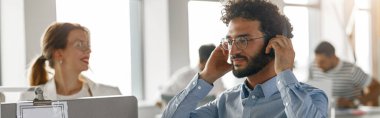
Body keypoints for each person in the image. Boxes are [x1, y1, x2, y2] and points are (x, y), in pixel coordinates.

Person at [162, 0, 328, 118]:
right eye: (229, 41)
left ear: (274, 44)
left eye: (243, 40)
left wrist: (285, 72)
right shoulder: (226, 101)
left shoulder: (312, 98)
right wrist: (206, 77)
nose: (232, 50)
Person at [20, 22, 121, 101]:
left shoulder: (111, 95)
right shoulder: (29, 99)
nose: (88, 50)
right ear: (59, 54)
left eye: (87, 45)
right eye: (79, 45)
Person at [309, 41, 380, 108]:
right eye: (316, 61)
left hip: (348, 113)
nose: (318, 66)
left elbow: (377, 87)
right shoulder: (313, 67)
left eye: (322, 62)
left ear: (333, 57)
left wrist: (355, 102)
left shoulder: (352, 70)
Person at [159, 44, 226, 106]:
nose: (216, 65)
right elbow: (163, 95)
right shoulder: (184, 76)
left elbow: (223, 93)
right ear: (202, 61)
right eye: (214, 62)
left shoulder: (217, 77)